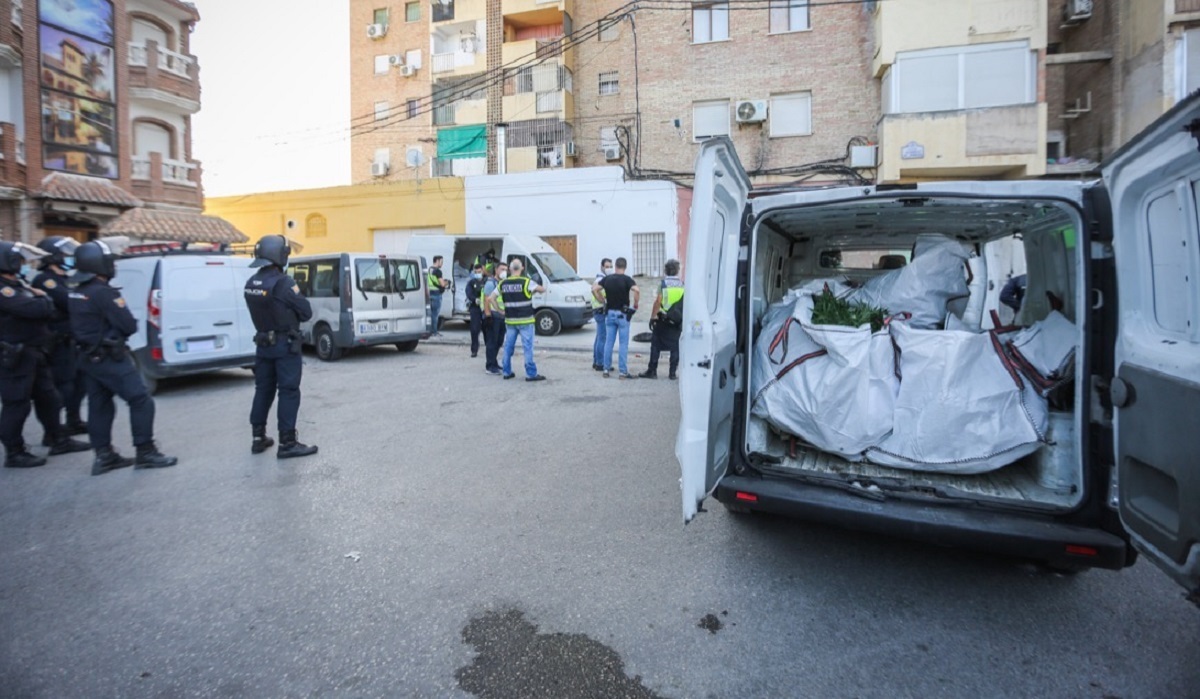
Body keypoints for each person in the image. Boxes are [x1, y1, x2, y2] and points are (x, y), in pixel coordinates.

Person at [68, 240, 176, 475]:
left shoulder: (77, 291)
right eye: (110, 261)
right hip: (109, 357)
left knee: (99, 405)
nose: (113, 265)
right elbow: (128, 325)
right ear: (99, 264)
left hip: (88, 357)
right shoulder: (103, 292)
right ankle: (145, 451)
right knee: (141, 400)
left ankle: (103, 456)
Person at [0, 242, 90, 468]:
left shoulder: (17, 283)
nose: (22, 263)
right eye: (19, 259)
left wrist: (40, 300)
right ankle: (14, 452)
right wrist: (44, 299)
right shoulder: (4, 289)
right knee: (17, 404)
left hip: (34, 351)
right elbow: (36, 309)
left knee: (50, 398)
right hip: (15, 355)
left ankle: (57, 439)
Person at [244, 235, 318, 459]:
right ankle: (287, 442)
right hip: (285, 346)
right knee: (288, 391)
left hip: (263, 345)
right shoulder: (284, 283)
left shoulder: (252, 282)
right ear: (280, 255)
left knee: (263, 390)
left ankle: (258, 437)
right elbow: (306, 312)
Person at [31, 236, 87, 438]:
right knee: (63, 386)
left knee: (79, 384)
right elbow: (69, 301)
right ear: (52, 256)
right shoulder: (45, 279)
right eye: (64, 254)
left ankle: (74, 421)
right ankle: (53, 432)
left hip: (73, 340)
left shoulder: (67, 278)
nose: (68, 257)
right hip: (57, 342)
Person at [492, 258, 545, 382]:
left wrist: (499, 310)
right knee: (528, 348)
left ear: (510, 269)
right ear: (522, 268)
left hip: (510, 321)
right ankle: (530, 374)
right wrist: (533, 292)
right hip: (526, 321)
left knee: (508, 347)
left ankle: (506, 372)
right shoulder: (526, 282)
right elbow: (542, 289)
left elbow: (492, 298)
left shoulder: (503, 283)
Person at [593, 257, 639, 379]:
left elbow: (594, 289)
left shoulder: (607, 279)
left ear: (616, 266)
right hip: (623, 315)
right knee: (623, 344)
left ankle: (606, 369)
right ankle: (622, 372)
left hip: (609, 314)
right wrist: (635, 303)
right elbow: (636, 290)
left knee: (609, 342)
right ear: (625, 267)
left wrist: (601, 299)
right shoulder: (627, 279)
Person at [639, 259, 684, 380]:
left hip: (663, 319)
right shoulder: (683, 284)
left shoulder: (663, 284)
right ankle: (672, 373)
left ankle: (652, 371)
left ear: (666, 270)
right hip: (676, 320)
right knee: (675, 347)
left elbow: (658, 301)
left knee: (656, 344)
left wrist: (652, 317)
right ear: (677, 271)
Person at [481, 262, 506, 375]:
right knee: (492, 342)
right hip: (493, 316)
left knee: (499, 341)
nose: (504, 272)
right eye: (502, 269)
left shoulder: (502, 283)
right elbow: (487, 300)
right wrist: (488, 316)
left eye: (506, 269)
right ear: (496, 270)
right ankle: (490, 366)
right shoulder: (491, 283)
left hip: (501, 316)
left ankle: (494, 362)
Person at [591, 258, 612, 371]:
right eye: (607, 267)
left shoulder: (602, 278)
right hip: (601, 310)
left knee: (599, 337)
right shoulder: (601, 278)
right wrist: (602, 300)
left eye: (610, 267)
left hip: (598, 310)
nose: (609, 269)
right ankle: (600, 363)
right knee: (602, 338)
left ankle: (596, 361)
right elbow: (594, 290)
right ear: (602, 267)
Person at [464, 262, 486, 358]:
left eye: (479, 272)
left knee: (487, 330)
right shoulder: (471, 282)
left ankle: (489, 349)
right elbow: (468, 293)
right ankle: (474, 350)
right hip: (475, 307)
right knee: (474, 330)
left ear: (483, 271)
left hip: (486, 308)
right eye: (476, 272)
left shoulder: (487, 281)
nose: (478, 274)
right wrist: (474, 299)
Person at [426, 255, 450, 336]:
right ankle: (434, 332)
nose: (442, 263)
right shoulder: (438, 271)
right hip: (436, 294)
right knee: (435, 315)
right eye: (441, 261)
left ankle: (430, 331)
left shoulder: (430, 269)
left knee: (430, 314)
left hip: (430, 293)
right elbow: (442, 284)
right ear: (437, 261)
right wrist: (447, 282)